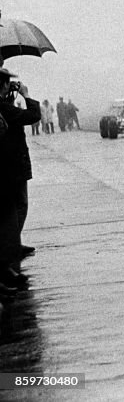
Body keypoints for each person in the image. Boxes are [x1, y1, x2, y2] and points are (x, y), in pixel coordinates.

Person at [0, 68, 40, 293]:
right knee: (16, 208)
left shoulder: (4, 104)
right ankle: (10, 250)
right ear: (4, 85)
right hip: (12, 167)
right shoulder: (4, 107)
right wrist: (26, 95)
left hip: (11, 165)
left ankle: (11, 246)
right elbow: (32, 116)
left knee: (12, 210)